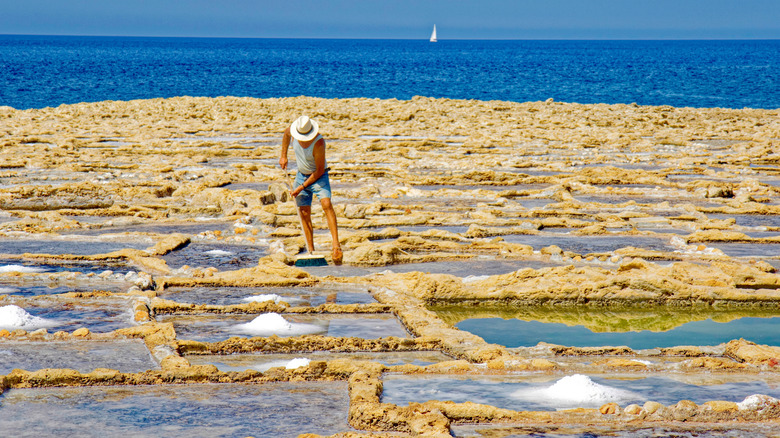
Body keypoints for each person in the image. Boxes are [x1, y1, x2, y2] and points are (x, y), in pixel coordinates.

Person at [279, 115, 343, 265]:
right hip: (301, 175)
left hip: (319, 176)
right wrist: (283, 156)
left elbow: (319, 171)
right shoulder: (293, 133)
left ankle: (336, 246)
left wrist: (301, 187)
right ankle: (311, 250)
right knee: (304, 211)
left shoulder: (318, 143)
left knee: (326, 204)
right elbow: (286, 134)